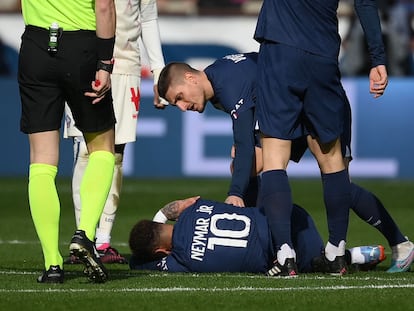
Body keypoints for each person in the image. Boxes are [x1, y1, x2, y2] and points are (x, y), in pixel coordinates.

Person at [156, 52, 413, 274]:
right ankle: (283, 248)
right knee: (246, 169)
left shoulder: (227, 82)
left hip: (319, 103)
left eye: (179, 97)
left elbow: (245, 143)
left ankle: (399, 244)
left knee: (338, 185)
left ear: (190, 78)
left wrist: (234, 193)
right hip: (292, 113)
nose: (181, 107)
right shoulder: (219, 79)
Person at [252, 0, 389, 276]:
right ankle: (336, 252)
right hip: (322, 55)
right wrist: (378, 59)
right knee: (331, 157)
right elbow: (364, 2)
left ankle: (285, 254)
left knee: (274, 155)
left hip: (281, 49)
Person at [18, 0, 117, 283]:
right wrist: (105, 63)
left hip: (36, 46)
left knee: (41, 161)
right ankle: (84, 233)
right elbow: (105, 7)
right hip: (81, 47)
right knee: (102, 147)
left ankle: (52, 264)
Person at [64, 0, 166, 264]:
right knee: (85, 151)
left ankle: (104, 240)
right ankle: (83, 235)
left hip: (126, 67)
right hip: (85, 62)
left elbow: (147, 17)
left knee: (115, 155)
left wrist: (158, 71)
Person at [128, 197, 386, 273]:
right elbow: (182, 203)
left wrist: (128, 260)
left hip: (281, 252)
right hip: (291, 215)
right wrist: (162, 212)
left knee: (313, 266)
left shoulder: (180, 259)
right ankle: (341, 254)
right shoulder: (196, 207)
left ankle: (350, 256)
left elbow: (144, 263)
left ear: (161, 250)